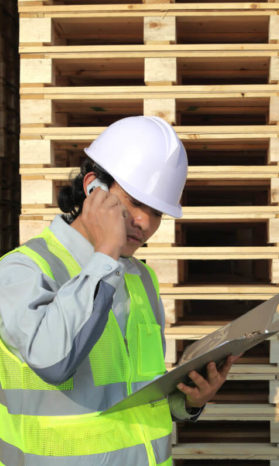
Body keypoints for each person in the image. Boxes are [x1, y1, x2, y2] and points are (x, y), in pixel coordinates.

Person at [0, 116, 235, 465]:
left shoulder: (141, 278)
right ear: (93, 187)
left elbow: (136, 393)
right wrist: (104, 254)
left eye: (157, 213)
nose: (146, 223)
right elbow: (53, 361)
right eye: (137, 203)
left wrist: (189, 401)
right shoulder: (22, 270)